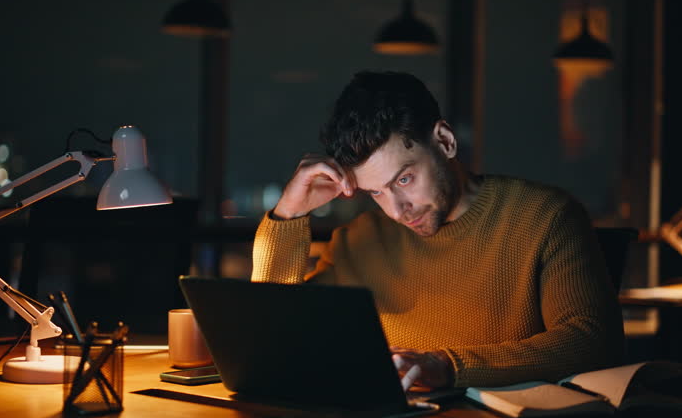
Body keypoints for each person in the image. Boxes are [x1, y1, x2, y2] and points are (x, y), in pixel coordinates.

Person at [251, 71, 624, 391]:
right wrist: (288, 215)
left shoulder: (545, 216)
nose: (397, 209)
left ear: (445, 141)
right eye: (375, 192)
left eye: (405, 178)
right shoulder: (358, 239)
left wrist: (448, 367)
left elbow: (591, 342)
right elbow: (269, 339)